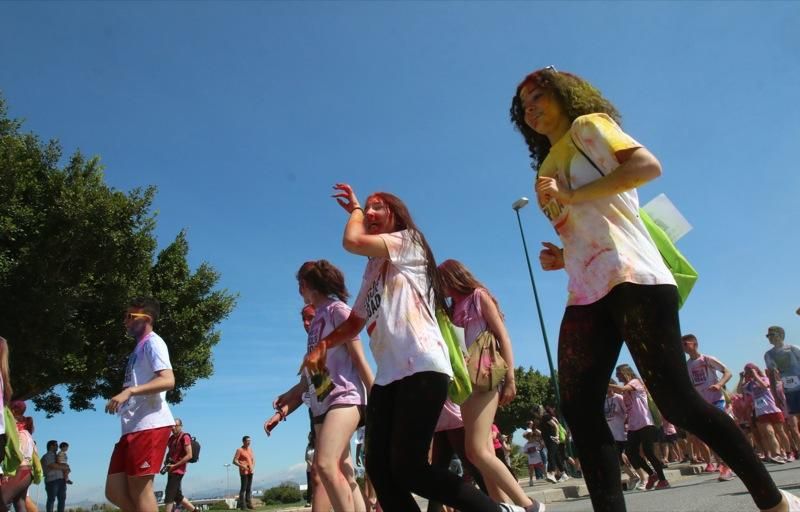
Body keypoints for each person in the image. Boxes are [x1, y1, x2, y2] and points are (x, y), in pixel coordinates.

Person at [510, 65, 799, 512]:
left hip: (634, 276)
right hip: (585, 290)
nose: (530, 110)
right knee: (580, 409)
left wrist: (569, 197)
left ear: (567, 96)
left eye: (538, 98)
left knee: (678, 402)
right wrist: (562, 257)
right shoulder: (544, 168)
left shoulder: (589, 127)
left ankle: (774, 499)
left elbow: (647, 166)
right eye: (523, 107)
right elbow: (589, 229)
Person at [301, 184, 537, 512]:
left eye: (377, 207)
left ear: (395, 215)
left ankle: (497, 510)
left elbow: (351, 241)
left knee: (410, 468)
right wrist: (322, 346)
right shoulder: (372, 270)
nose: (369, 213)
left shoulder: (409, 241)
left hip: (422, 366)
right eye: (366, 208)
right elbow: (355, 323)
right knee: (380, 470)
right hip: (387, 378)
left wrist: (355, 210)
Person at [438, 259, 542, 510]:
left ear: (451, 278)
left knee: (475, 450)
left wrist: (511, 379)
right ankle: (502, 507)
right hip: (466, 381)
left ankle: (529, 505)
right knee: (483, 451)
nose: (438, 286)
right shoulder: (451, 309)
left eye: (440, 280)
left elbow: (502, 335)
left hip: (485, 376)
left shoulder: (478, 296)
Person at [273, 261, 372, 512]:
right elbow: (312, 373)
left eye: (299, 286)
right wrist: (291, 394)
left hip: (345, 396)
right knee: (344, 473)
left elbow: (359, 357)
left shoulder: (337, 310)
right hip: (321, 402)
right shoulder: (316, 321)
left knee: (325, 465)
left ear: (305, 285)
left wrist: (377, 395)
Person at [104, 297, 176, 512]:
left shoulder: (154, 342)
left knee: (141, 490)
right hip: (131, 427)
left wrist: (129, 391)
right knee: (114, 491)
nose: (124, 321)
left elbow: (168, 380)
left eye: (129, 316)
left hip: (149, 425)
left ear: (146, 318)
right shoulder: (138, 348)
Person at [681, 334, 735, 479]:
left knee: (720, 433)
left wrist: (719, 384)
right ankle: (722, 465)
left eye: (685, 343)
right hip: (702, 403)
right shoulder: (687, 366)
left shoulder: (707, 359)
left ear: (695, 343)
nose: (683, 347)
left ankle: (727, 465)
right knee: (712, 437)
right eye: (682, 345)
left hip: (717, 401)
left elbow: (728, 372)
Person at [609, 365, 669, 490]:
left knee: (648, 452)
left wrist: (605, 384)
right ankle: (652, 474)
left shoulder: (635, 382)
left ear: (625, 373)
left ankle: (663, 480)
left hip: (645, 423)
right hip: (633, 426)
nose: (617, 376)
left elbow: (621, 388)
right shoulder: (625, 392)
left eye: (619, 373)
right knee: (631, 453)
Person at [764, 326, 800, 458]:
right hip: (788, 391)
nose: (769, 338)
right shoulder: (769, 355)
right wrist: (775, 396)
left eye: (772, 334)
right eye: (768, 336)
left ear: (780, 335)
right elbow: (772, 377)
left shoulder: (793, 348)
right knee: (793, 425)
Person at [742, 364, 788, 464]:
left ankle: (788, 452)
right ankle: (777, 454)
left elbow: (764, 385)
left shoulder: (765, 378)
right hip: (761, 411)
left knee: (780, 432)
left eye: (750, 370)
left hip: (773, 409)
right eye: (747, 371)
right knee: (769, 432)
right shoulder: (749, 384)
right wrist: (744, 378)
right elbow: (740, 390)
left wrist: (756, 376)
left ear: (756, 369)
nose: (749, 372)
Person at [604, 382, 640, 488]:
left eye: (609, 387)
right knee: (617, 458)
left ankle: (639, 475)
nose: (608, 389)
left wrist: (626, 424)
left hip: (621, 432)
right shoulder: (604, 400)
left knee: (627, 455)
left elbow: (627, 412)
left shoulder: (618, 398)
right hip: (611, 434)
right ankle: (633, 476)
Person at [4, 401, 36, 512]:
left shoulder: (20, 435)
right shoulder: (29, 436)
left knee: (3, 500)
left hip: (20, 470)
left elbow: (17, 454)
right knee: (19, 503)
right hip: (27, 472)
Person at [163, 419, 196, 512]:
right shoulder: (171, 439)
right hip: (171, 469)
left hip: (178, 470)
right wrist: (166, 462)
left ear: (181, 426)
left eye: (176, 426)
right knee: (177, 496)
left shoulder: (185, 437)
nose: (173, 428)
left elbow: (189, 455)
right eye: (171, 426)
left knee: (169, 494)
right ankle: (195, 510)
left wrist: (175, 465)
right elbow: (169, 452)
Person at [40, 441, 67, 512]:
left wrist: (64, 467)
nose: (58, 447)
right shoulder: (47, 456)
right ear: (51, 446)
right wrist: (65, 467)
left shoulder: (58, 455)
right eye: (56, 445)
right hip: (52, 480)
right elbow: (53, 465)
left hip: (61, 479)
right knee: (51, 499)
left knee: (62, 499)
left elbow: (61, 465)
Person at [232, 436, 255, 510]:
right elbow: (234, 461)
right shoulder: (239, 450)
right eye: (248, 441)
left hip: (250, 471)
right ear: (243, 441)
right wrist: (242, 466)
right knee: (243, 489)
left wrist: (252, 467)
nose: (249, 442)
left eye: (250, 441)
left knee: (249, 489)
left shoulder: (250, 450)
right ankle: (243, 506)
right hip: (243, 472)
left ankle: (249, 504)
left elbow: (253, 459)